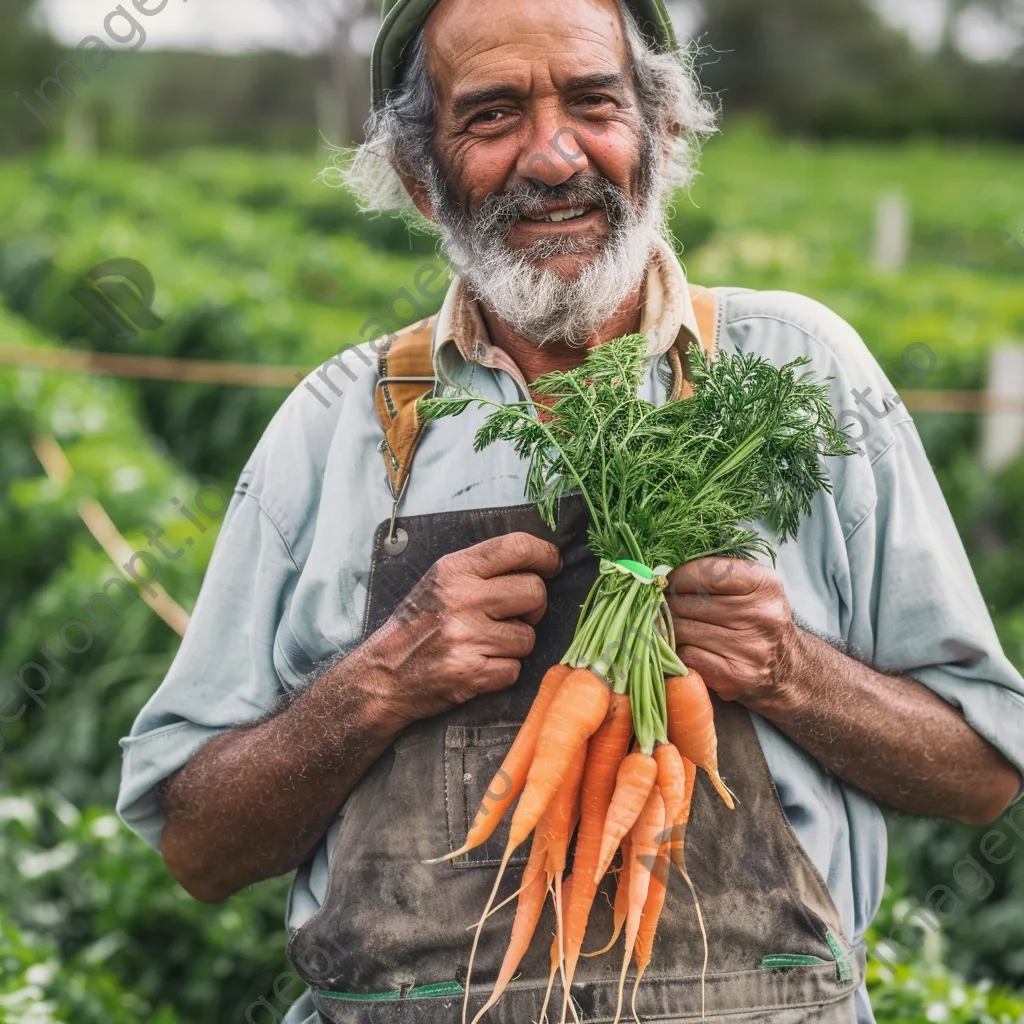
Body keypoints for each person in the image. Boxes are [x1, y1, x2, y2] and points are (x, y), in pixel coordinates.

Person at [116, 0, 1024, 1021]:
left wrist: (790, 670)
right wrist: (377, 680)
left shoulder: (803, 368)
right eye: (492, 116)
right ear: (420, 176)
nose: (552, 159)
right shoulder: (336, 425)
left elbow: (984, 770)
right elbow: (198, 847)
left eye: (594, 103)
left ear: (661, 134)